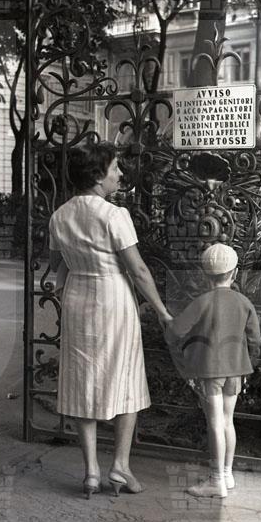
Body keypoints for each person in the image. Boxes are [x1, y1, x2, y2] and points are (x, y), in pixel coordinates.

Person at [49, 141, 173, 499]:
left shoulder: (59, 216)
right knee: (125, 376)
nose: (120, 173)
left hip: (77, 298)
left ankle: (91, 471)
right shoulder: (114, 215)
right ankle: (120, 465)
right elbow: (138, 270)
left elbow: (56, 264)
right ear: (97, 175)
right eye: (115, 167)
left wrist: (76, 264)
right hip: (113, 298)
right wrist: (162, 311)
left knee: (81, 379)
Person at [165, 243, 261, 498]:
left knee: (215, 423)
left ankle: (216, 480)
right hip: (236, 371)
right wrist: (247, 364)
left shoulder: (202, 302)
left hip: (210, 371)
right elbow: (256, 340)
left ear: (205, 275)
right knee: (228, 421)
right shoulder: (244, 302)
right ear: (235, 273)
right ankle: (227, 474)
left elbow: (175, 332)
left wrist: (168, 324)